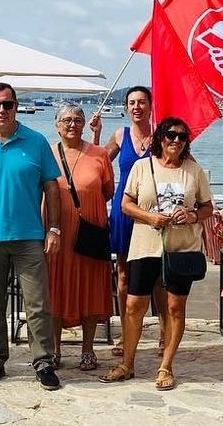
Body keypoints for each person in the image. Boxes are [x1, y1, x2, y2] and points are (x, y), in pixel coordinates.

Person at [100, 117, 213, 391]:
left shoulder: (194, 171)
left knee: (175, 307)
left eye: (182, 137)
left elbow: (207, 207)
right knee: (133, 306)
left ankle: (166, 365)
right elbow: (125, 203)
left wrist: (192, 214)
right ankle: (127, 363)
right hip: (145, 246)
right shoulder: (142, 167)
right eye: (170, 135)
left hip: (180, 249)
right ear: (160, 138)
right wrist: (149, 217)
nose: (175, 141)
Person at [0, 82, 62, 390]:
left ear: (16, 105)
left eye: (7, 104)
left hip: (29, 236)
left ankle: (43, 361)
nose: (2, 110)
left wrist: (54, 228)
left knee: (37, 304)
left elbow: (52, 188)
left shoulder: (35, 141)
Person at [91, 86, 166, 357]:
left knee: (157, 276)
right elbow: (98, 162)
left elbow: (183, 163)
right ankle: (126, 333)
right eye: (132, 102)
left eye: (142, 102)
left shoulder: (162, 136)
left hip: (154, 213)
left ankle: (163, 334)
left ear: (150, 106)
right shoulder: (120, 134)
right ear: (126, 107)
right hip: (124, 212)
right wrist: (97, 133)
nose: (137, 107)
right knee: (123, 275)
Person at [48, 104, 114, 371]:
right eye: (66, 120)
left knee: (89, 288)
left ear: (85, 123)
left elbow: (107, 191)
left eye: (77, 119)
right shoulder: (47, 154)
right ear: (57, 125)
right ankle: (54, 348)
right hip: (56, 232)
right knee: (54, 288)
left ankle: (88, 349)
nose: (72, 124)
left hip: (90, 231)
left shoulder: (99, 154)